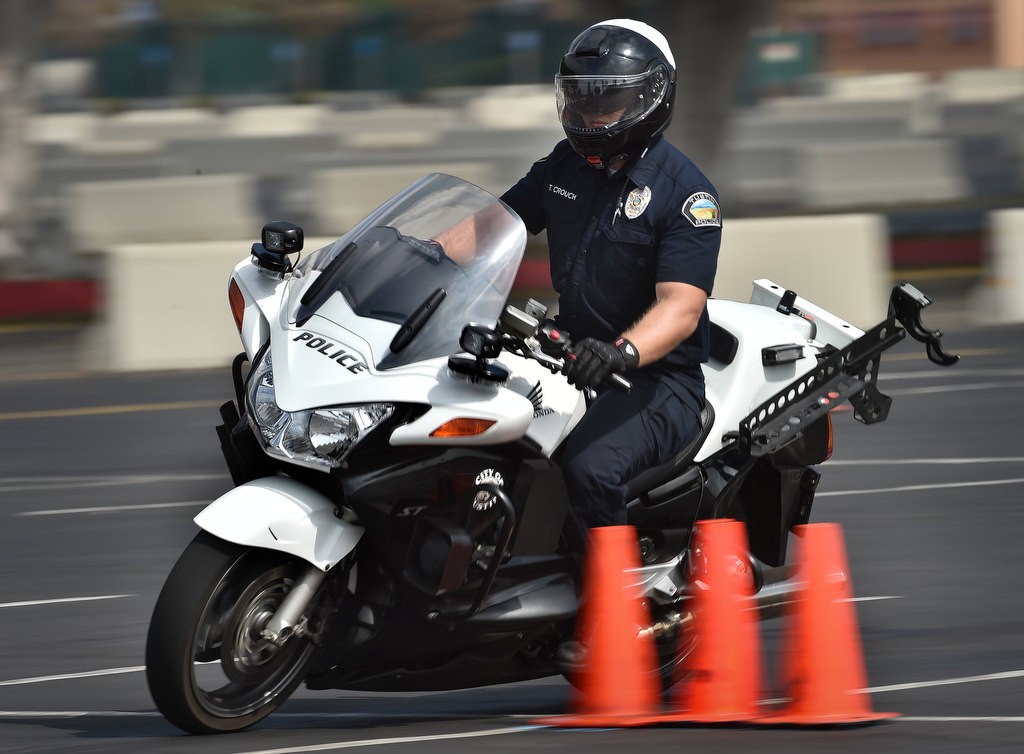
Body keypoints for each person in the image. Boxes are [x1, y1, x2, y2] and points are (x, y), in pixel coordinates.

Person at [499, 18, 722, 529]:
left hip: (655, 380)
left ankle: (613, 603)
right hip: (568, 359)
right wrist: (415, 253)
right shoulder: (563, 166)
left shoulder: (685, 194)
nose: (591, 114)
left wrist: (620, 351)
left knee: (587, 468)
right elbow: (493, 226)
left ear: (653, 96)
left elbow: (681, 308)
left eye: (607, 100)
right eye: (581, 98)